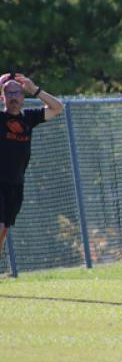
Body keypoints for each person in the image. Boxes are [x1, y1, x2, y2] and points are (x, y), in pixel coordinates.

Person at [0, 72, 64, 274]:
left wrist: (34, 89)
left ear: (23, 96)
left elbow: (57, 108)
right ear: (2, 97)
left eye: (17, 92)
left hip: (16, 184)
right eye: (8, 92)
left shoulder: (29, 118)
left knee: (3, 230)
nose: (13, 96)